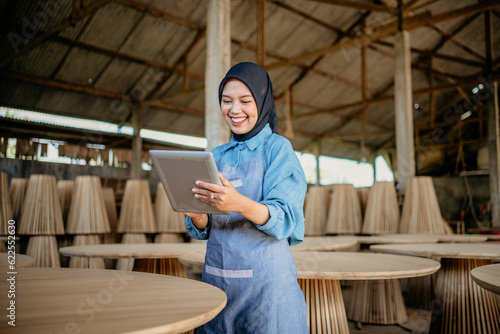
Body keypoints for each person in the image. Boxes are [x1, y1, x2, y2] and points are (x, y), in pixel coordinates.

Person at [184, 62, 308, 334]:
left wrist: (237, 203)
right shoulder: (217, 155)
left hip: (266, 289)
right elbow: (205, 227)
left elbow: (284, 219)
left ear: (262, 102)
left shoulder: (278, 149)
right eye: (226, 101)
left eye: (245, 101)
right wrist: (197, 214)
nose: (234, 110)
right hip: (217, 282)